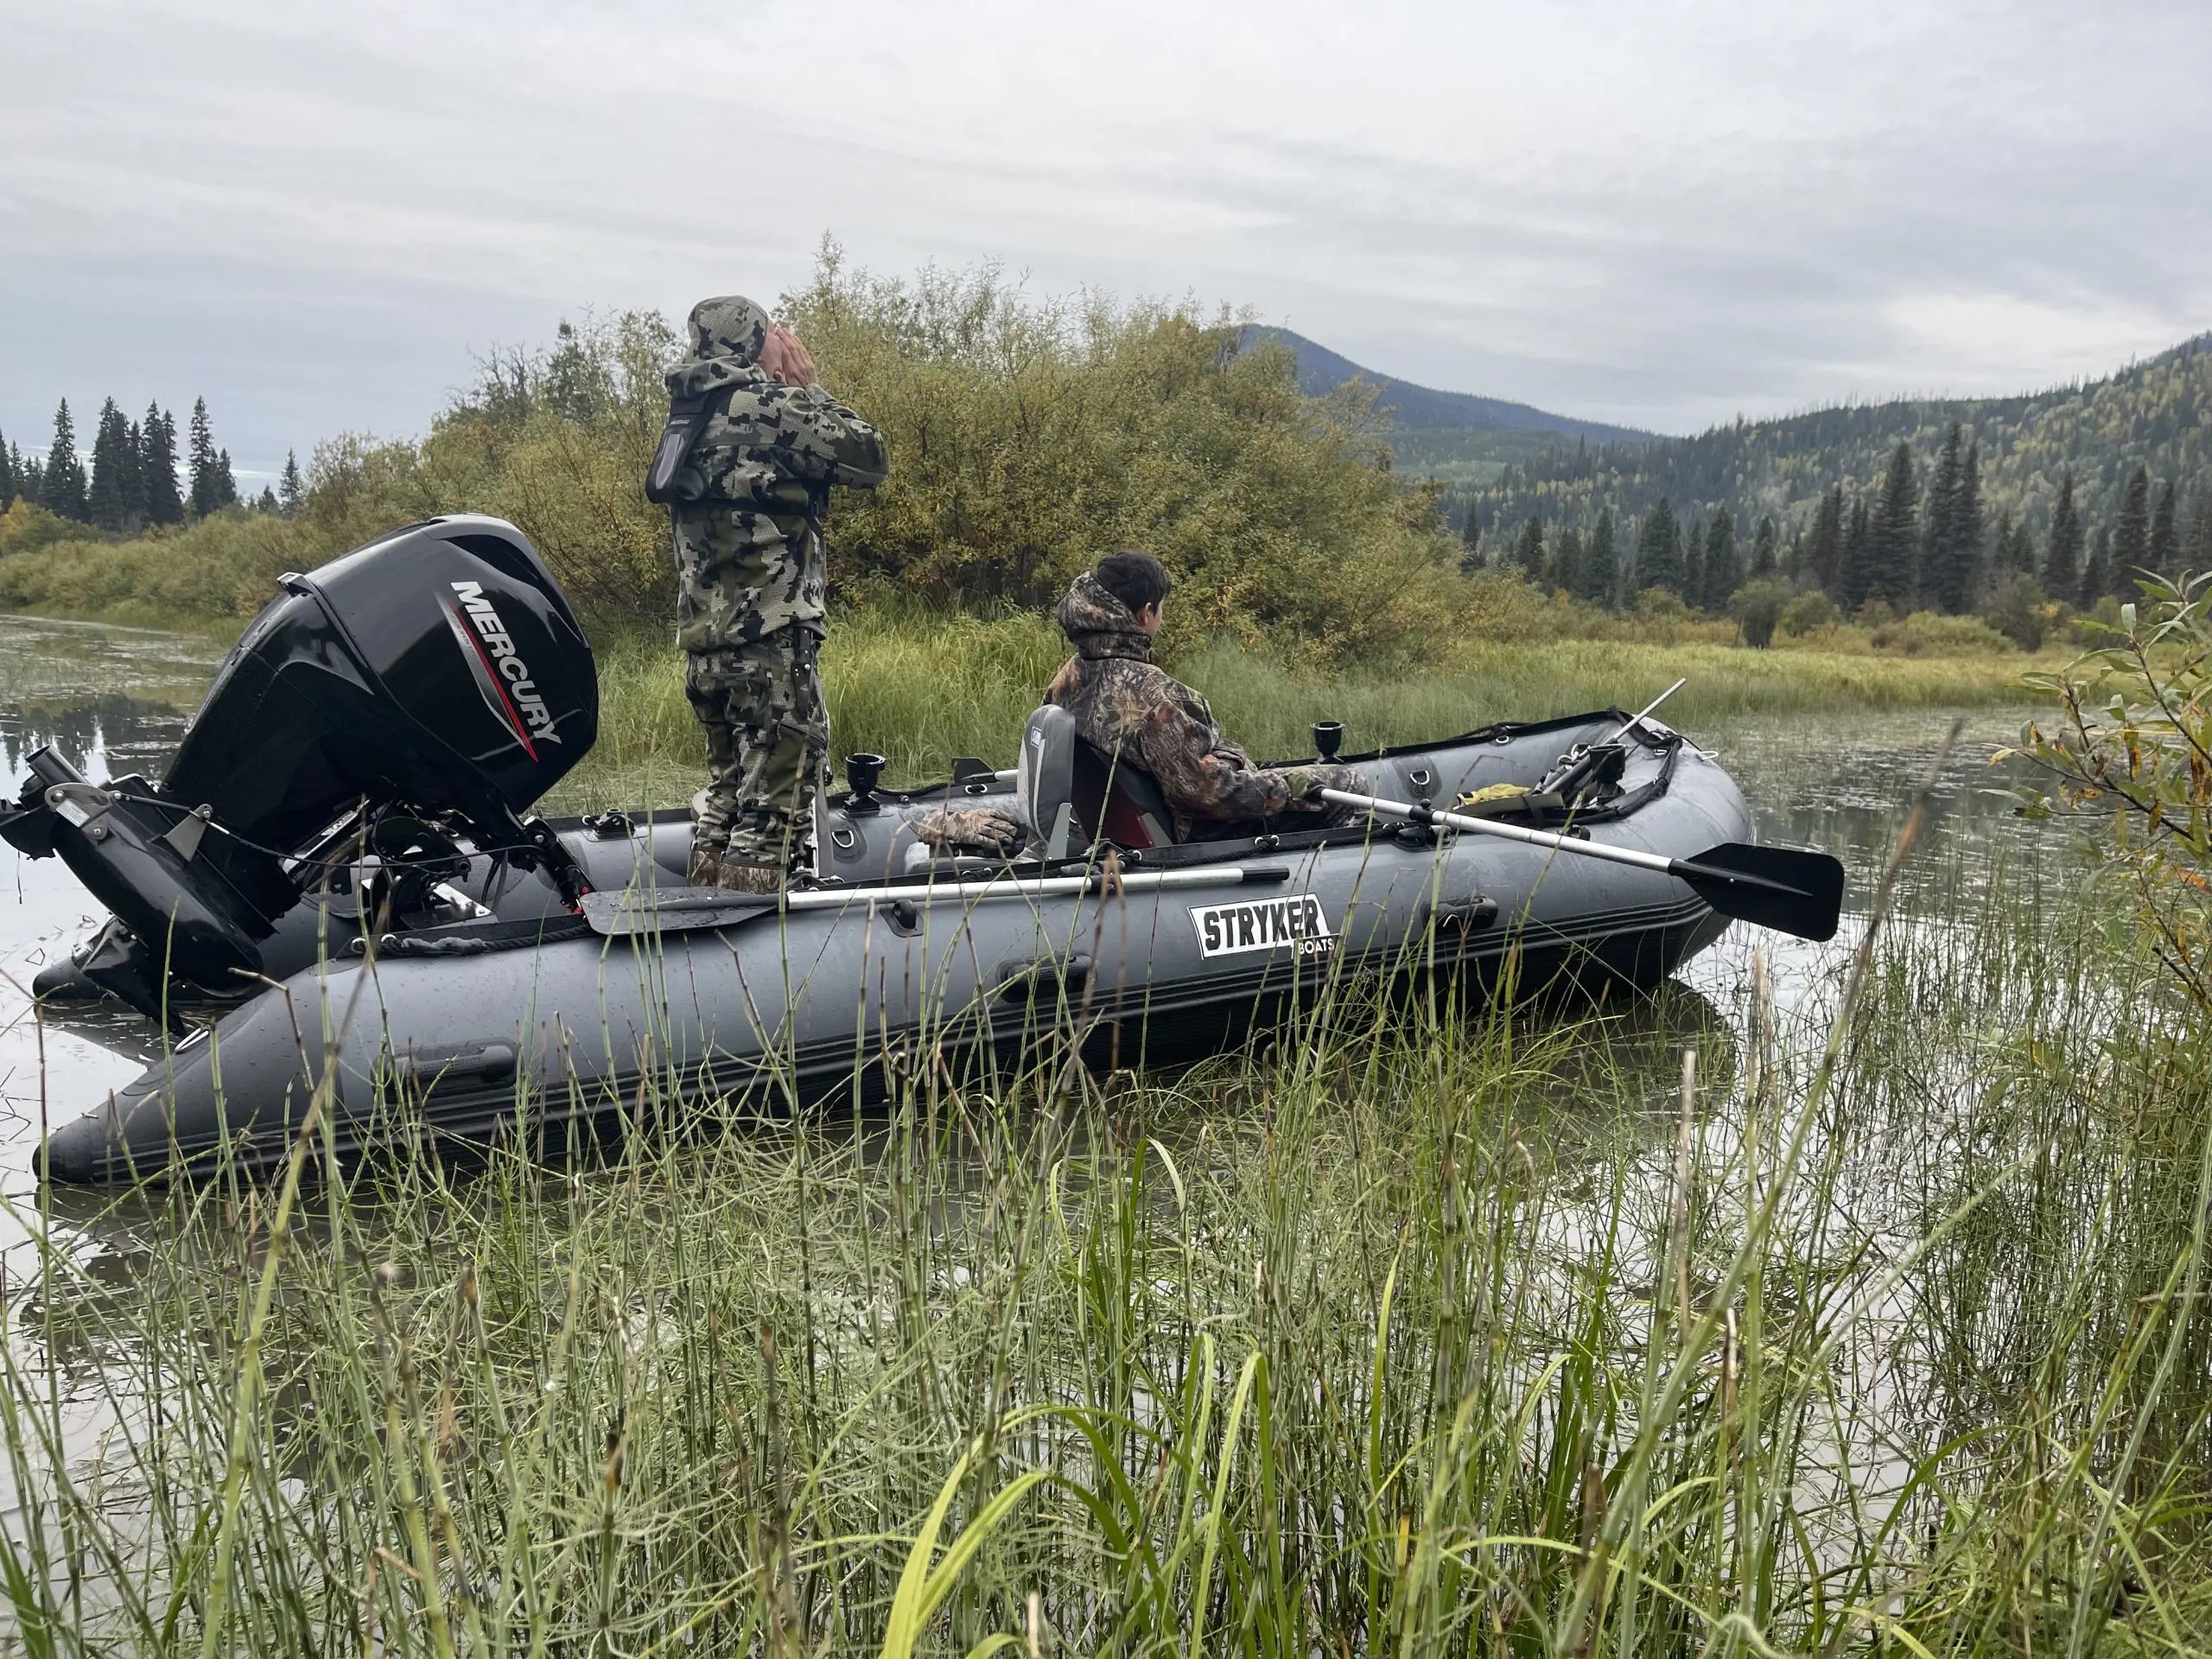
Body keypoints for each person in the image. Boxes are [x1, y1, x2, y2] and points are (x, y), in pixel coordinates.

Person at [649, 296, 888, 892]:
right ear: (758, 345)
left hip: (706, 651)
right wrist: (808, 387)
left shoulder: (686, 417)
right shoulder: (774, 407)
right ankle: (749, 957)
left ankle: (698, 941)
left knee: (726, 807)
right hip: (771, 647)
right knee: (769, 823)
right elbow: (869, 458)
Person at [1045, 550, 1368, 841]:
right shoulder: (1158, 698)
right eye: (1160, 609)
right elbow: (1205, 794)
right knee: (1348, 782)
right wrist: (1284, 788)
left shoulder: (1067, 678)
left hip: (1124, 826)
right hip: (1193, 832)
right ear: (1145, 614)